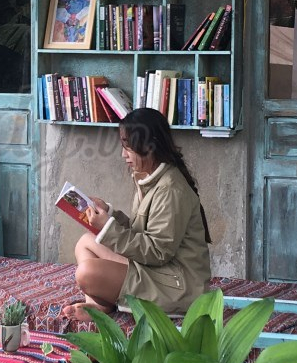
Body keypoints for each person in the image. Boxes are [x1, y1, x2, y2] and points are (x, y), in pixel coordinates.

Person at [68, 108, 213, 321]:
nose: (123, 155)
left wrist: (107, 228)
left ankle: (104, 302)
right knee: (85, 242)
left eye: (128, 147)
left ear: (149, 147)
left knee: (86, 272)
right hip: (156, 270)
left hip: (176, 286)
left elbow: (157, 252)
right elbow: (140, 232)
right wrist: (108, 213)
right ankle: (99, 306)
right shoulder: (149, 179)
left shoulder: (171, 190)